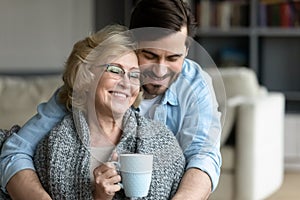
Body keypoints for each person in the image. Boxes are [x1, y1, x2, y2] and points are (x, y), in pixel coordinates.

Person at [0, 0, 222, 199]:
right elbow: (16, 150)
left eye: (174, 57)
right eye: (150, 55)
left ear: (186, 51)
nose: (160, 70)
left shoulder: (195, 85)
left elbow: (204, 156)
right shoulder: (88, 87)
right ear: (130, 44)